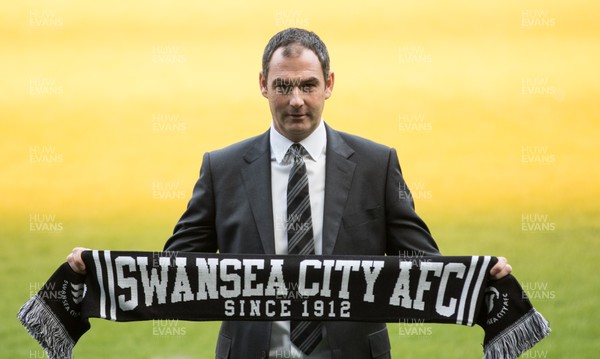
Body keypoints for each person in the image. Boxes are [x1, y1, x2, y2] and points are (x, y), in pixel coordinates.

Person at [68, 28, 512, 359]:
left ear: (329, 85)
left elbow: (422, 266)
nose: (296, 100)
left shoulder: (378, 164)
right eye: (283, 86)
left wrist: (480, 278)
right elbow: (178, 269)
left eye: (307, 85)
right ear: (263, 84)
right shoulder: (221, 168)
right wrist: (98, 270)